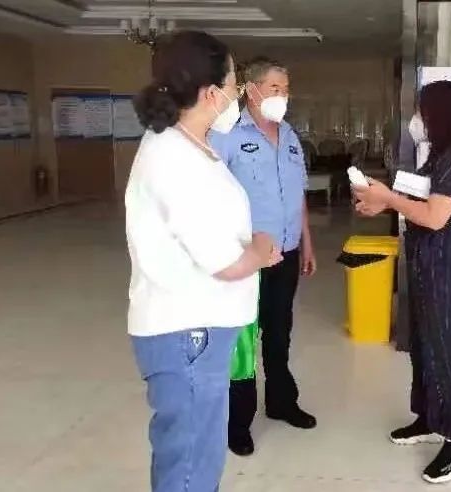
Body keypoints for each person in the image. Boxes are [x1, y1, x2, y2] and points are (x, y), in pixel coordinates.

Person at [126, 32, 281, 492]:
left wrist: (254, 247)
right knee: (192, 461)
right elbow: (224, 262)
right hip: (187, 331)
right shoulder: (174, 157)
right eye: (234, 83)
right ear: (211, 93)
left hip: (197, 327)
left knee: (196, 452)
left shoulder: (190, 146)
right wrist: (260, 250)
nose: (237, 94)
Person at [353, 81, 451, 484]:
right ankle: (428, 418)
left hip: (447, 267)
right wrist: (380, 200)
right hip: (425, 263)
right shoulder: (439, 154)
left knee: (443, 351)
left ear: (439, 112)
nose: (416, 119)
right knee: (423, 347)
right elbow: (419, 201)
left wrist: (388, 199)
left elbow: (435, 217)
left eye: (421, 111)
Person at [209, 57, 317, 457]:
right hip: (247, 258)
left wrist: (306, 243)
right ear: (251, 90)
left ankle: (281, 402)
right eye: (275, 88)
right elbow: (210, 198)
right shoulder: (226, 136)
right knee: (242, 343)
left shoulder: (289, 135)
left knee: (279, 331)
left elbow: (298, 195)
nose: (282, 96)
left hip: (286, 254)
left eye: (286, 90)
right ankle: (237, 423)